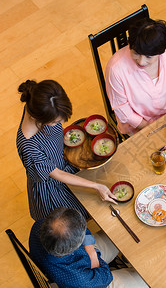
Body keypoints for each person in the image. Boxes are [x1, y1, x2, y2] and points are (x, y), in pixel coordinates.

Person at [16, 79, 117, 221]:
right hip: (52, 186)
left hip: (66, 162)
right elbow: (57, 174)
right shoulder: (29, 147)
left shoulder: (36, 102)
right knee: (81, 215)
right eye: (56, 122)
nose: (62, 124)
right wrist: (96, 186)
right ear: (35, 117)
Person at [105, 18, 166, 135]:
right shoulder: (115, 69)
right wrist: (152, 129)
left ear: (161, 52)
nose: (141, 61)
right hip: (137, 127)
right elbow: (123, 109)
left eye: (149, 57)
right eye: (136, 53)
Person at [29, 207, 148, 288]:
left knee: (119, 233)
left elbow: (80, 227)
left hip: (76, 261)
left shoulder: (40, 225)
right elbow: (105, 276)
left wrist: (91, 252)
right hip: (92, 279)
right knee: (144, 279)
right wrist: (95, 258)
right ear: (76, 246)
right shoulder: (79, 279)